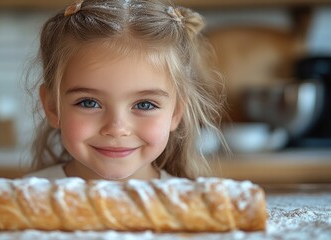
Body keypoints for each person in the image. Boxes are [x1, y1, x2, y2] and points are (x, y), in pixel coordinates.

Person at [26, 0, 225, 181]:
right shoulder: (23, 203)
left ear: (176, 112)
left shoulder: (190, 208)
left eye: (145, 104)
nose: (116, 128)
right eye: (89, 102)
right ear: (52, 107)